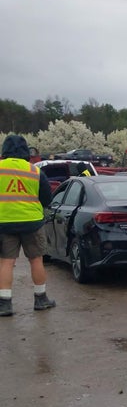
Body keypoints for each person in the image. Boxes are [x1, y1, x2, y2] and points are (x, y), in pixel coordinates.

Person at [0, 134, 56, 316]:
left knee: (6, 262)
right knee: (36, 260)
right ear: (26, 152)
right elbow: (47, 199)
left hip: (4, 222)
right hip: (32, 222)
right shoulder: (35, 171)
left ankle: (5, 303)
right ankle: (41, 299)